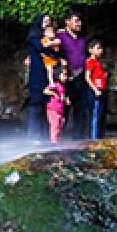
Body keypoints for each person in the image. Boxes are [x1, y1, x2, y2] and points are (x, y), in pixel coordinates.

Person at [25, 14, 60, 140]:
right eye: (45, 21)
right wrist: (52, 42)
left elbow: (55, 53)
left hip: (47, 76)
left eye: (48, 21)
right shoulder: (34, 36)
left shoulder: (46, 37)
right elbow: (40, 46)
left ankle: (46, 138)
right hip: (37, 76)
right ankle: (32, 137)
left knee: (48, 107)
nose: (46, 23)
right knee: (36, 106)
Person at [56, 11, 88, 139]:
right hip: (67, 78)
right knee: (64, 109)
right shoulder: (60, 36)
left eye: (80, 21)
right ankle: (58, 138)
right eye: (76, 21)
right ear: (67, 22)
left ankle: (78, 139)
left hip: (81, 77)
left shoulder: (82, 40)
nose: (79, 24)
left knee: (80, 109)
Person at [85, 39, 108, 139]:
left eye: (101, 48)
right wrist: (95, 89)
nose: (100, 50)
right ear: (90, 50)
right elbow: (87, 77)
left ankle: (99, 137)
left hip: (101, 90)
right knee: (95, 115)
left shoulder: (98, 63)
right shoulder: (90, 61)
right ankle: (94, 139)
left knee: (100, 115)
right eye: (98, 48)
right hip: (95, 92)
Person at [44, 65, 70, 144]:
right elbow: (45, 91)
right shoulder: (55, 85)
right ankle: (54, 142)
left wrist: (66, 99)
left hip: (60, 110)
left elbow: (62, 96)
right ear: (58, 75)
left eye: (66, 75)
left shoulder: (62, 86)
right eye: (64, 75)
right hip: (53, 110)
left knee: (60, 125)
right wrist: (54, 93)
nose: (66, 77)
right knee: (55, 125)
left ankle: (57, 140)